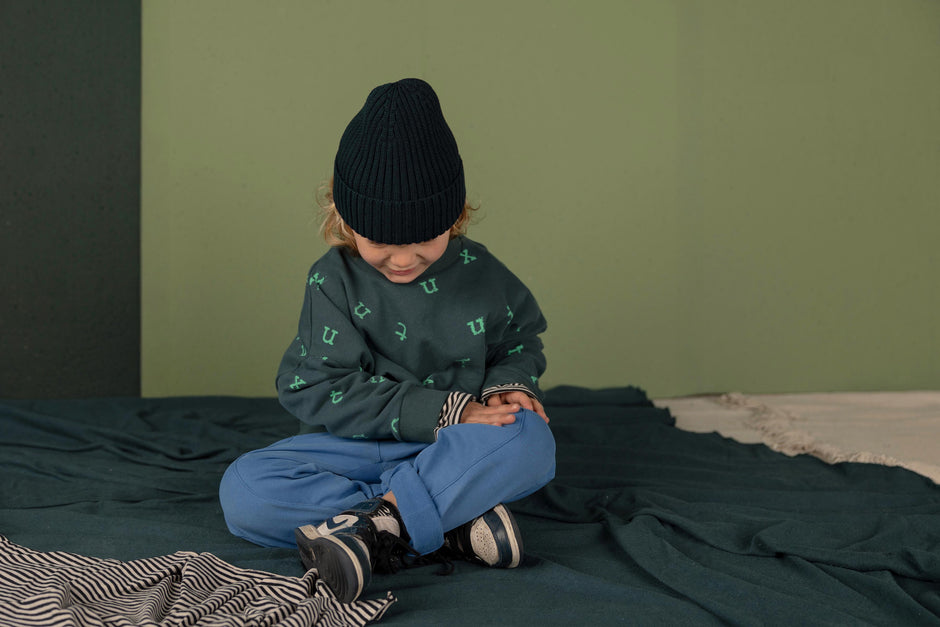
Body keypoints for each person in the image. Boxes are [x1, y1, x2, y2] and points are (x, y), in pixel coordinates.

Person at [219, 78, 555, 604]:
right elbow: (317, 387)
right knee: (244, 490)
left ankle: (372, 527)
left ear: (455, 215)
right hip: (349, 448)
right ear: (343, 216)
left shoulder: (483, 273)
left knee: (531, 441)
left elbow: (517, 341)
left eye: (425, 239)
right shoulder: (332, 281)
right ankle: (445, 524)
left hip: (446, 450)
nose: (403, 259)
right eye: (380, 241)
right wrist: (444, 409)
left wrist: (508, 385)